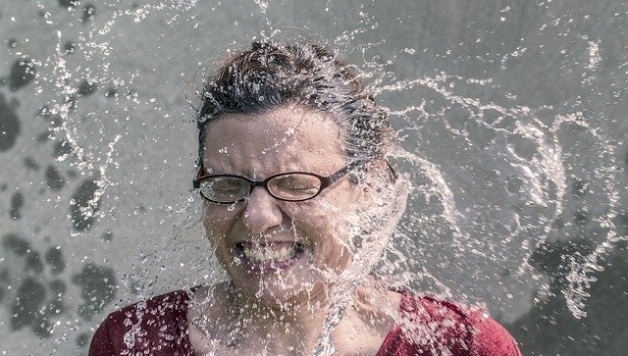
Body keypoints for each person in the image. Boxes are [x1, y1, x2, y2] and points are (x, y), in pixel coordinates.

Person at [88, 41, 521, 356]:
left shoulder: (463, 346)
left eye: (295, 184)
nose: (256, 217)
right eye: (227, 186)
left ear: (370, 187)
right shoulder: (133, 341)